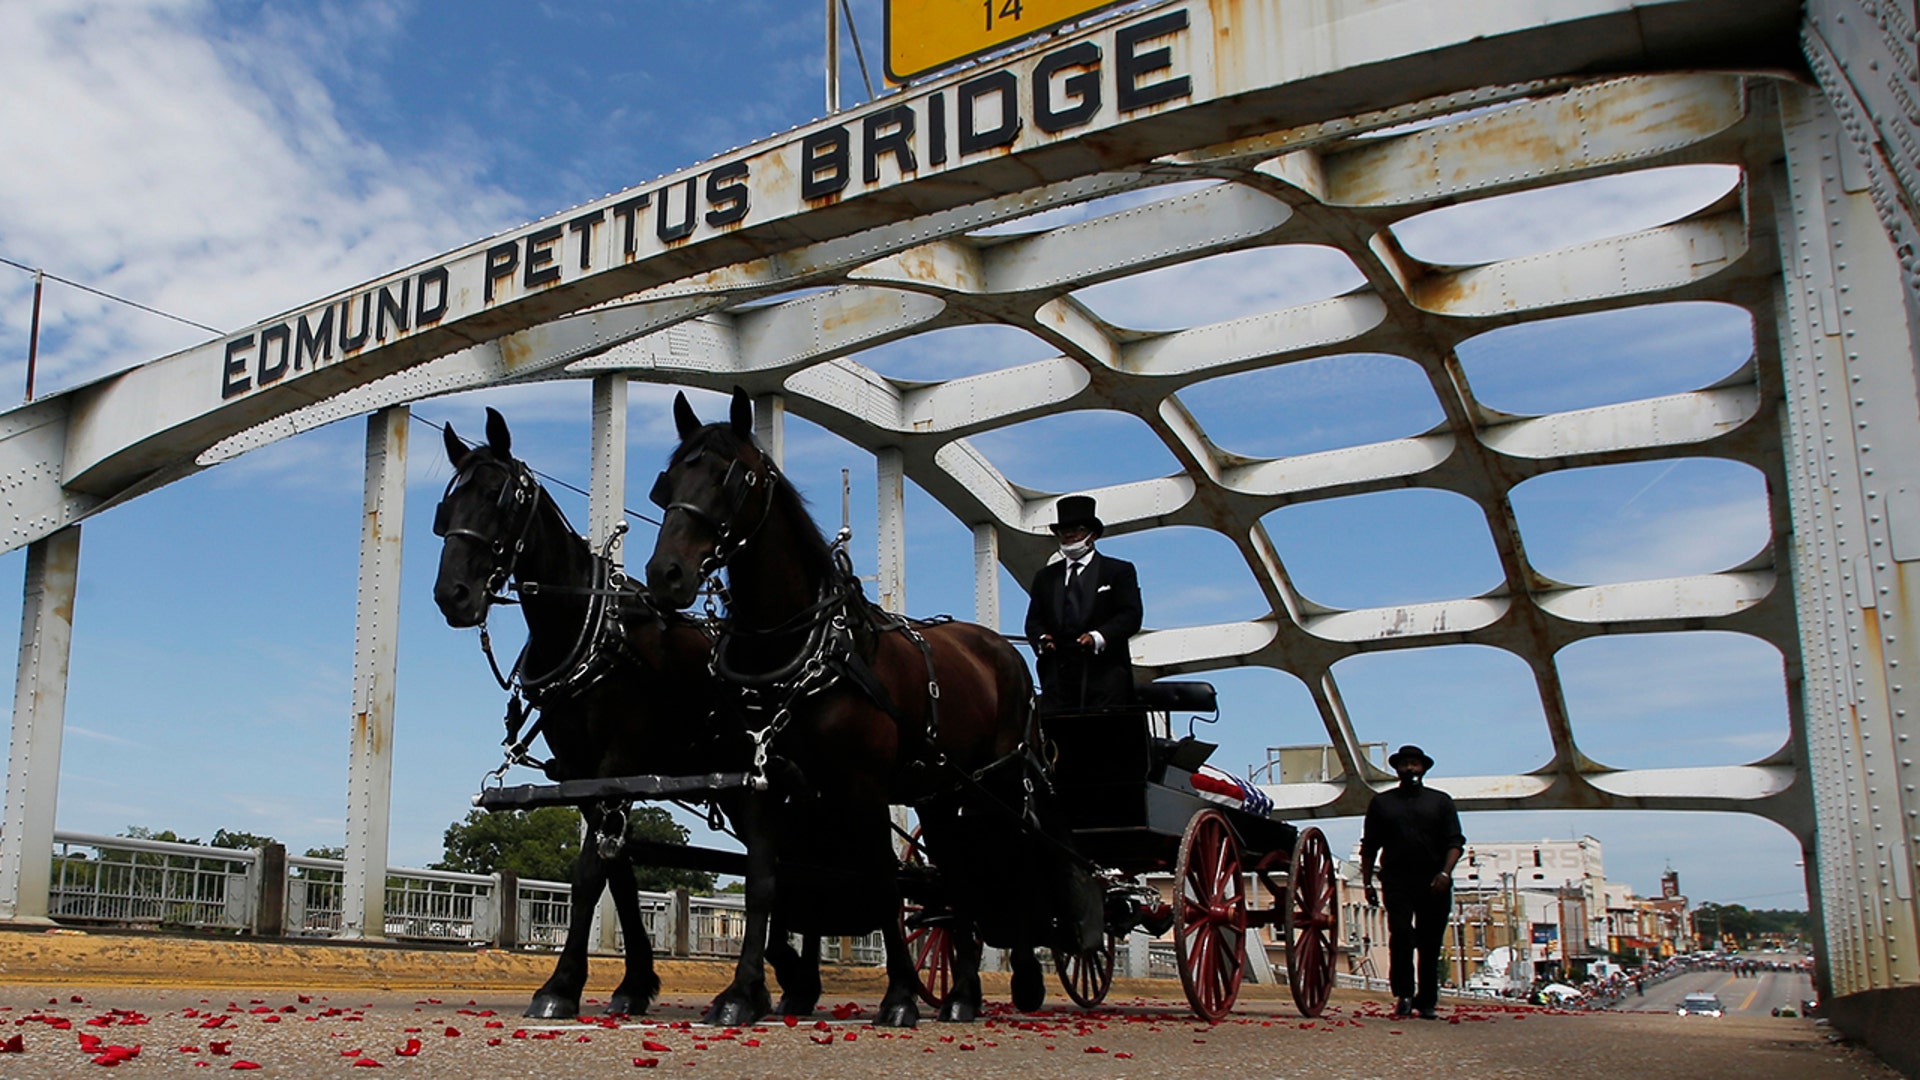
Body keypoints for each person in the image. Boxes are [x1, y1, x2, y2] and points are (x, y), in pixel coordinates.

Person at [1359, 744, 1464, 1020]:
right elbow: (1369, 846)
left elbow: (1455, 842)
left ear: (1424, 768)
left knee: (1430, 942)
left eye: (1414, 764)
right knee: (1401, 937)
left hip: (1434, 882)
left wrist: (1445, 873)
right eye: (1405, 764)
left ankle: (1427, 1000)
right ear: (1397, 769)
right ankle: (1404, 995)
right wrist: (1368, 883)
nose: (1410, 769)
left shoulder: (1441, 802)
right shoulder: (1382, 803)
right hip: (1397, 880)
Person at [1023, 494, 1143, 711]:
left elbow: (1130, 616)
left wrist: (1097, 637)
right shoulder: (1046, 577)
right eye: (1063, 531)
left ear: (1092, 534)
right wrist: (1041, 638)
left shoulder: (1118, 571)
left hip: (1105, 679)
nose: (1069, 535)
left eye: (1076, 529)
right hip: (1058, 682)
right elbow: (1033, 621)